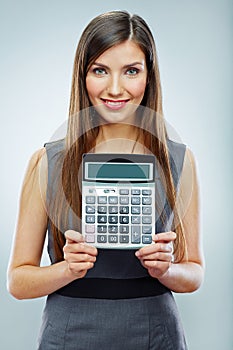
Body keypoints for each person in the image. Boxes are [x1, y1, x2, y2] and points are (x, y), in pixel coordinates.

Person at [7, 10, 205, 350]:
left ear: (149, 76)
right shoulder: (46, 162)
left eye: (131, 71)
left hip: (154, 332)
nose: (115, 88)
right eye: (100, 70)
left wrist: (166, 270)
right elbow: (18, 280)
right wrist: (67, 270)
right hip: (69, 332)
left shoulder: (180, 160)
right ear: (83, 76)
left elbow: (195, 273)